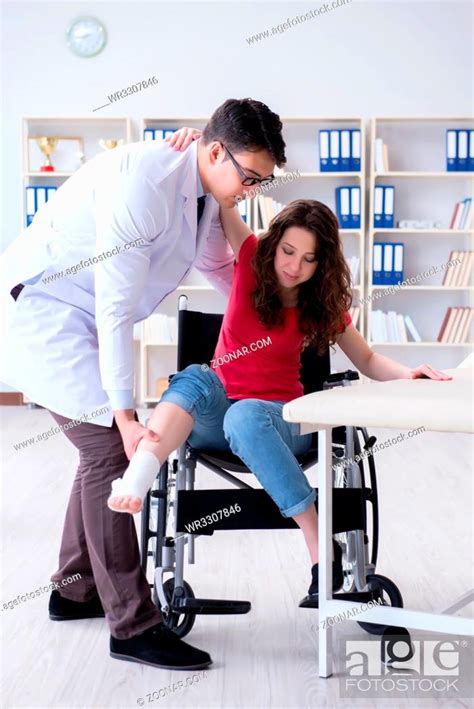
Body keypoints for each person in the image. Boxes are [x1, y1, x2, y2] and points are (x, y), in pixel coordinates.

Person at [0, 99, 286, 669]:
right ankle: (132, 626)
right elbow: (112, 308)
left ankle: (74, 588)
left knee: (95, 453)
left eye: (262, 181)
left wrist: (275, 318)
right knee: (109, 447)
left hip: (85, 315)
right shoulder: (144, 185)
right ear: (214, 151)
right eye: (249, 177)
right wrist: (127, 413)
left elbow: (219, 268)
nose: (250, 191)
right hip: (49, 313)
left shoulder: (204, 187)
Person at [107, 137, 452, 602]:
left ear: (322, 263)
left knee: (244, 416)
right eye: (289, 251)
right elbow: (221, 185)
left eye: (310, 259)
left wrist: (409, 374)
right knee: (193, 377)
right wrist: (192, 140)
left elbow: (366, 359)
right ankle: (141, 471)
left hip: (281, 421)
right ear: (275, 243)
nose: (295, 266)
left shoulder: (319, 306)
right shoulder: (250, 255)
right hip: (215, 414)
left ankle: (317, 543)